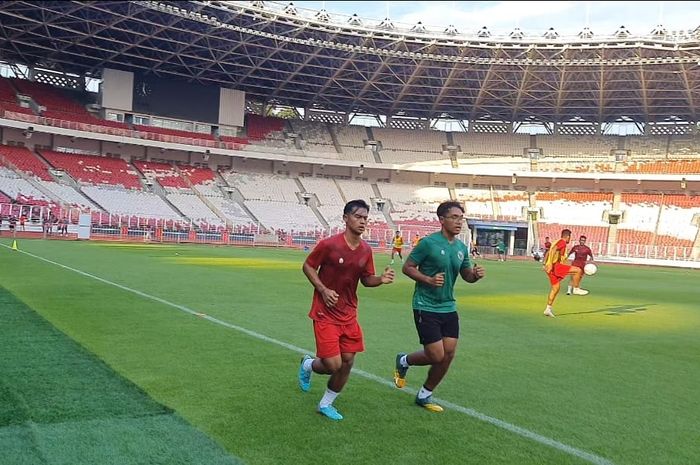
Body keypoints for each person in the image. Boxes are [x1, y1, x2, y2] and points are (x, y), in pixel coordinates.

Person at [298, 199, 395, 421]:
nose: (362, 221)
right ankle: (307, 365)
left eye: (365, 218)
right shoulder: (329, 245)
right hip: (325, 311)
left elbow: (366, 279)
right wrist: (322, 290)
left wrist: (380, 279)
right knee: (333, 364)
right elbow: (308, 266)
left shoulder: (365, 250)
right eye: (358, 216)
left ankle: (325, 404)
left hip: (349, 313)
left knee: (348, 361)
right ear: (345, 218)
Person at [393, 201, 485, 412]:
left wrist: (475, 276)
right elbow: (407, 267)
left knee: (449, 353)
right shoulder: (428, 243)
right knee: (436, 355)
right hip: (425, 305)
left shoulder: (461, 248)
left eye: (461, 218)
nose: (458, 222)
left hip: (448, 307)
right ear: (442, 220)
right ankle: (404, 360)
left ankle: (425, 394)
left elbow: (467, 276)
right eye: (454, 217)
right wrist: (428, 279)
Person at [542, 229, 589, 318]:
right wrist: (551, 264)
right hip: (555, 266)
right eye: (570, 237)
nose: (569, 239)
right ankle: (576, 288)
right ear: (567, 236)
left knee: (556, 288)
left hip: (550, 267)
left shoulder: (556, 241)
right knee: (578, 270)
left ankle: (548, 309)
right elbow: (554, 250)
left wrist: (545, 263)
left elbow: (549, 251)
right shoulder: (562, 242)